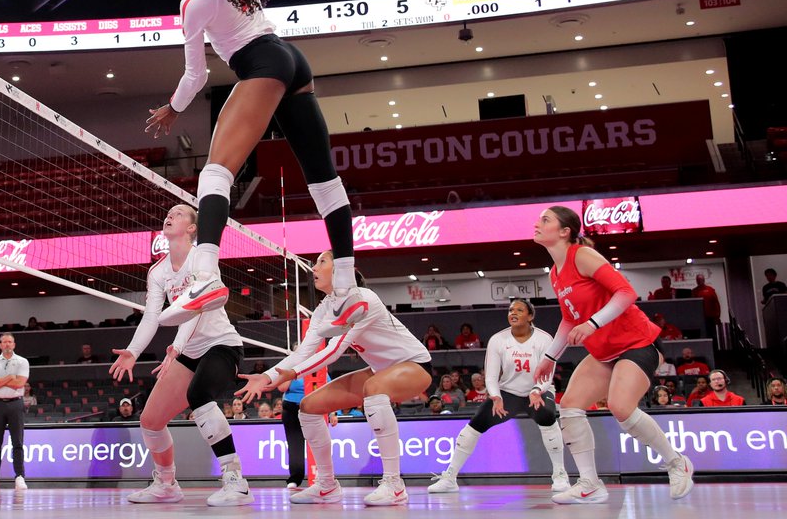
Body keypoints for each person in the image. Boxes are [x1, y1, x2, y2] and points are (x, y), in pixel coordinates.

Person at [144, 0, 363, 339]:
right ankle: (347, 286)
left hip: (261, 64)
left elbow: (196, 76)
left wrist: (173, 110)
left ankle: (204, 275)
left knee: (216, 171)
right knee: (324, 180)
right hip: (292, 59)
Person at [236, 250, 433, 507]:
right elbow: (303, 351)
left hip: (415, 365)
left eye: (321, 262)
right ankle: (327, 485)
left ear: (340, 270)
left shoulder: (364, 299)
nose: (314, 267)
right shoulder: (323, 309)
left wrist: (294, 374)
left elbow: (334, 350)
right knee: (307, 406)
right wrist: (266, 376)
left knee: (372, 388)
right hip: (379, 369)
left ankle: (395, 485)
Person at [531, 206, 693, 504]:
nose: (537, 224)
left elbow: (627, 292)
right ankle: (590, 484)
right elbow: (569, 319)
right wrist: (550, 356)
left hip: (637, 343)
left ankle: (676, 462)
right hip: (604, 351)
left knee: (621, 406)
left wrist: (592, 323)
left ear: (565, 231)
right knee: (569, 406)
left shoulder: (582, 255)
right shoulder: (555, 273)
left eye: (545, 220)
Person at [108, 204, 251, 506]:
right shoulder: (158, 271)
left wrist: (177, 347)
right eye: (168, 213)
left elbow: (199, 308)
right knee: (150, 420)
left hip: (221, 345)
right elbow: (151, 317)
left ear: (192, 228)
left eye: (179, 213)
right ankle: (166, 483)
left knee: (199, 393)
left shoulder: (202, 258)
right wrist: (133, 352)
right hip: (188, 351)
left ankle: (235, 479)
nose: (169, 215)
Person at [428, 299, 569, 494]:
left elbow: (548, 373)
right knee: (475, 424)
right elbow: (492, 376)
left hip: (538, 391)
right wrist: (495, 396)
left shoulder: (544, 339)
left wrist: (537, 390)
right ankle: (450, 477)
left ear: (530, 316)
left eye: (519, 310)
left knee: (547, 416)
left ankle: (560, 474)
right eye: (511, 309)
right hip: (508, 393)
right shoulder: (497, 340)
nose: (513, 312)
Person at [0, 333, 30, 491]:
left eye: (10, 342)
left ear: (14, 344)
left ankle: (20, 476)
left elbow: (20, 383)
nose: (7, 344)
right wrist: (10, 377)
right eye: (4, 342)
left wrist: (0, 381)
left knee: (18, 442)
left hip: (16, 404)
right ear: (0, 345)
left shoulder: (22, 361)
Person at [692, 274, 722, 341]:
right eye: (698, 280)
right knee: (703, 335)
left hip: (711, 317)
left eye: (700, 280)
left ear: (704, 280)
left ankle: (715, 349)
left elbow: (716, 303)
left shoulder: (710, 290)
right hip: (700, 318)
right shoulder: (694, 291)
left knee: (713, 335)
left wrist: (717, 316)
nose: (699, 281)